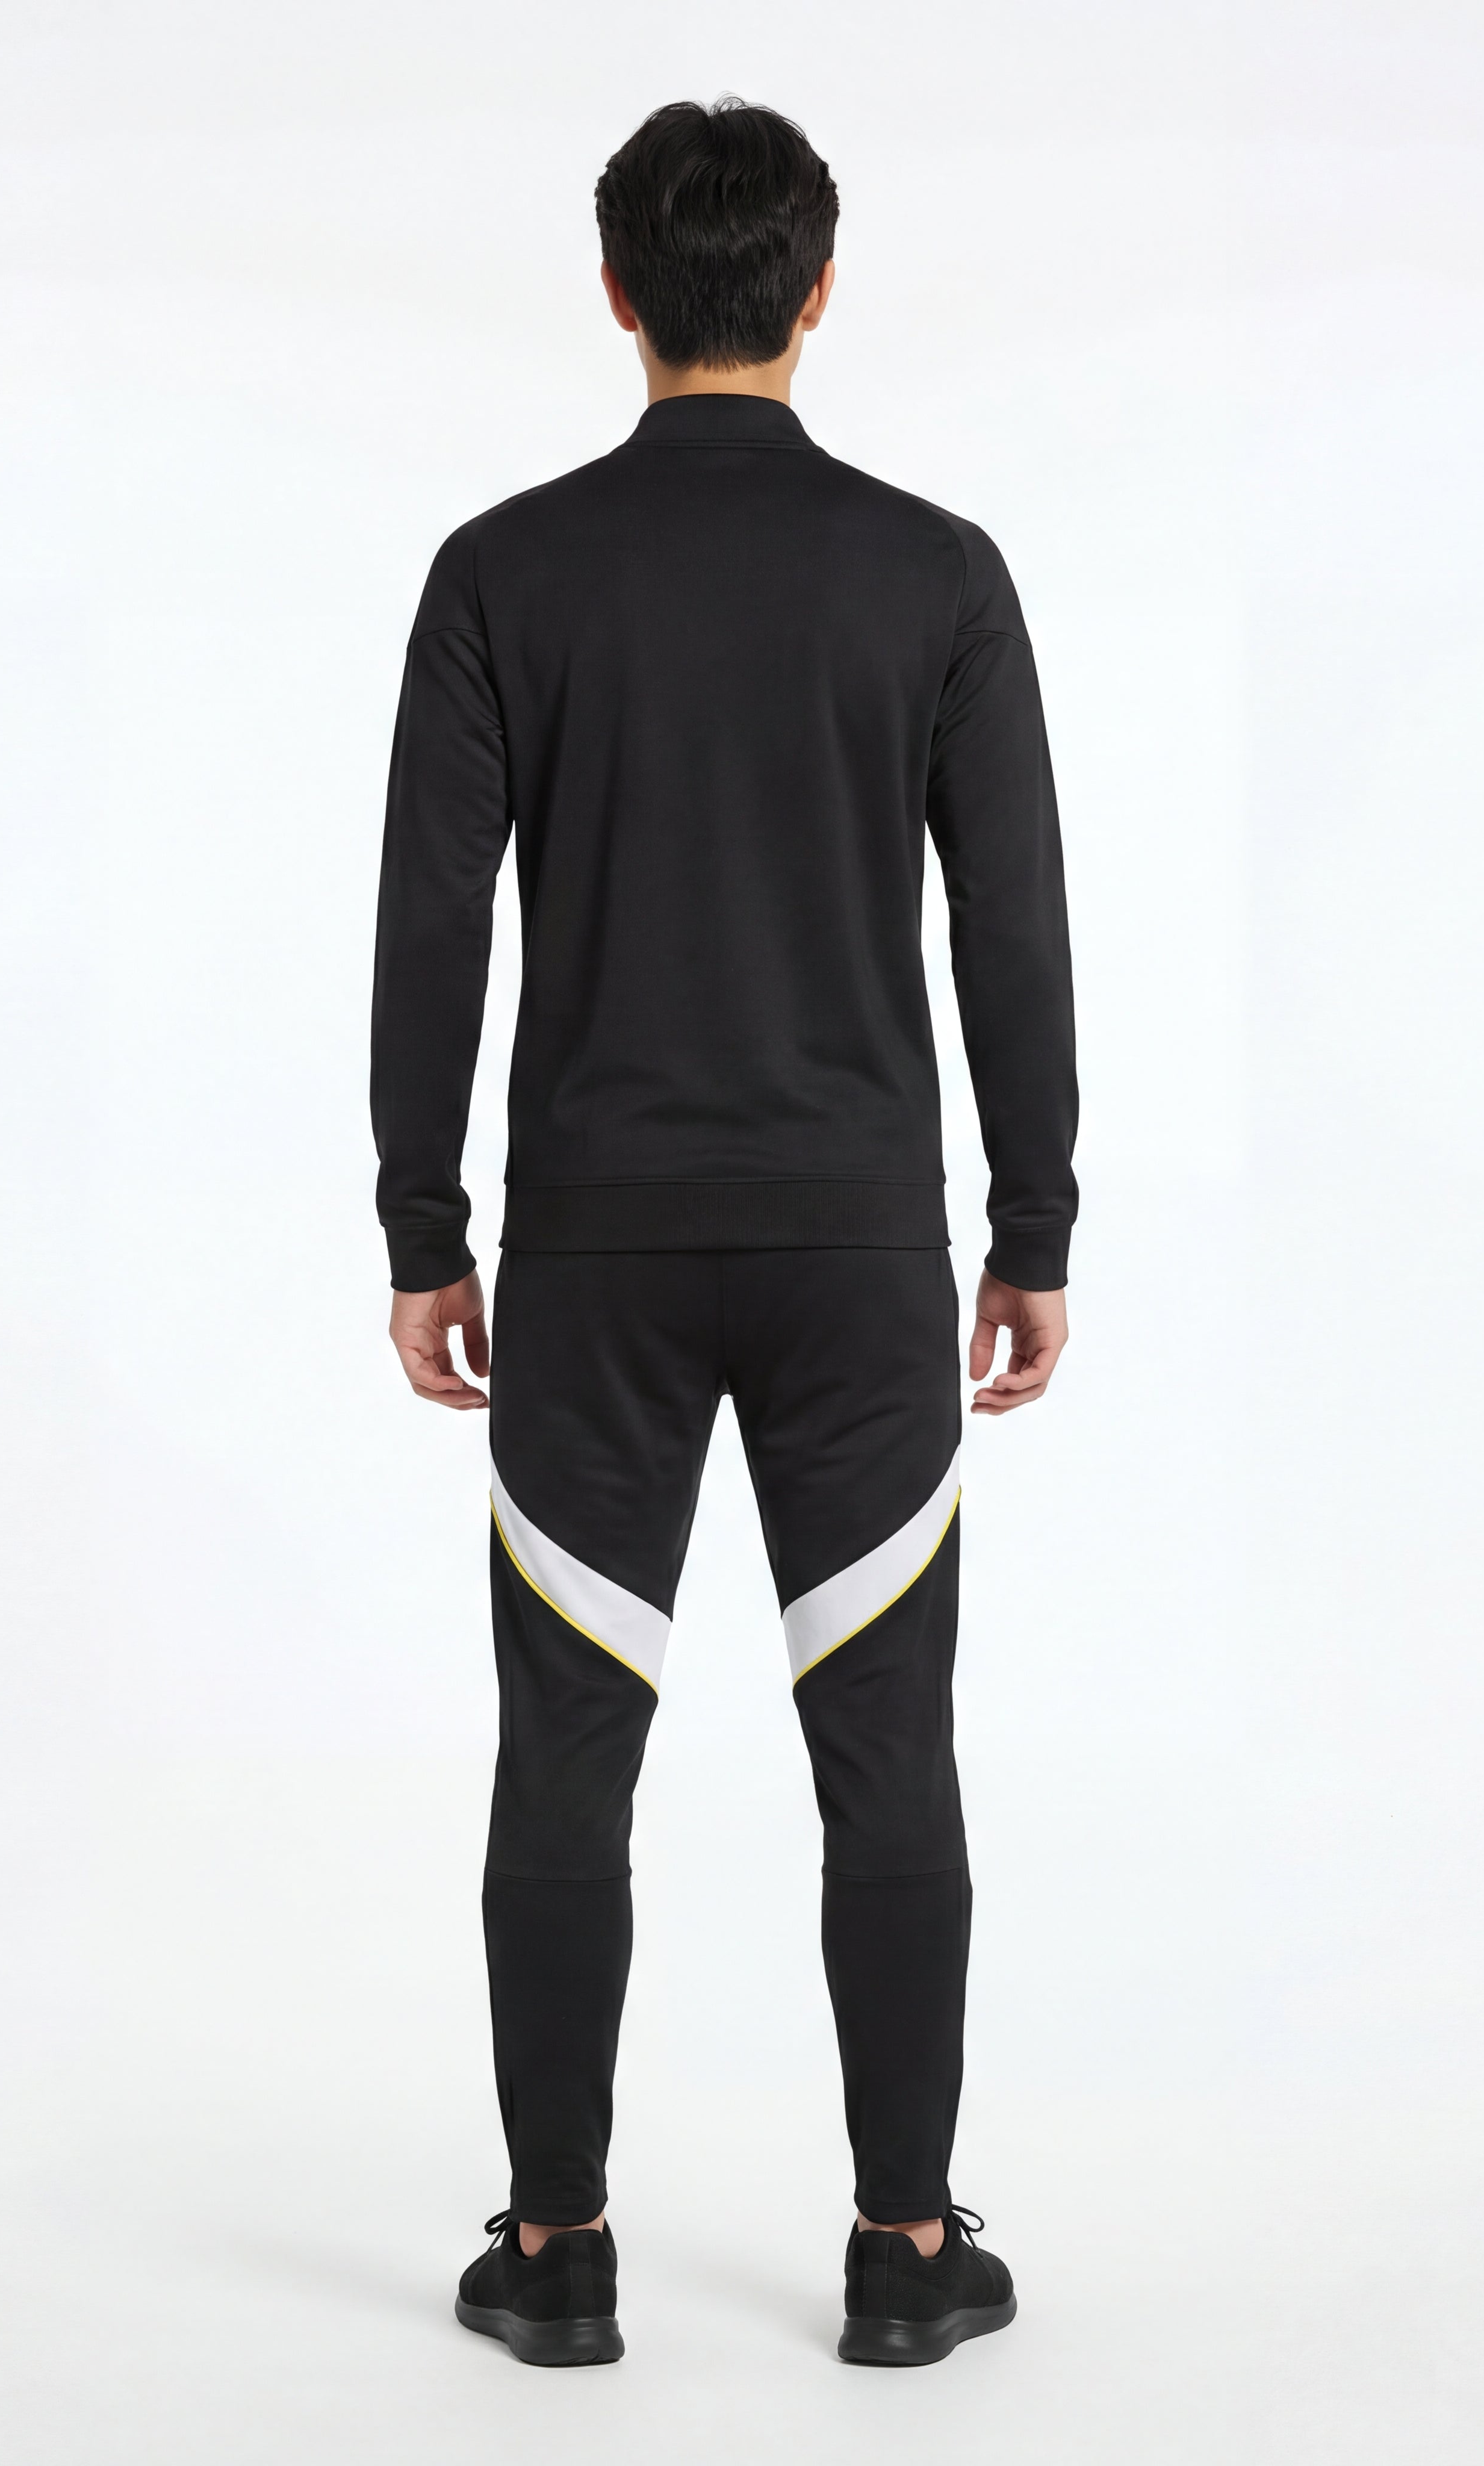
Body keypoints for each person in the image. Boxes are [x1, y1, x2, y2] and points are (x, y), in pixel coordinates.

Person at [370, 96, 1076, 2368]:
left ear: (617, 294)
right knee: (890, 1749)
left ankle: (555, 2258)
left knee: (566, 1751)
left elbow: (432, 927)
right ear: (820, 289)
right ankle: (906, 2257)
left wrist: (424, 1226)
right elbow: (1015, 930)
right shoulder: (937, 576)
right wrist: (1034, 1223)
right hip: (860, 1253)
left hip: (595, 1253)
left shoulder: (503, 574)